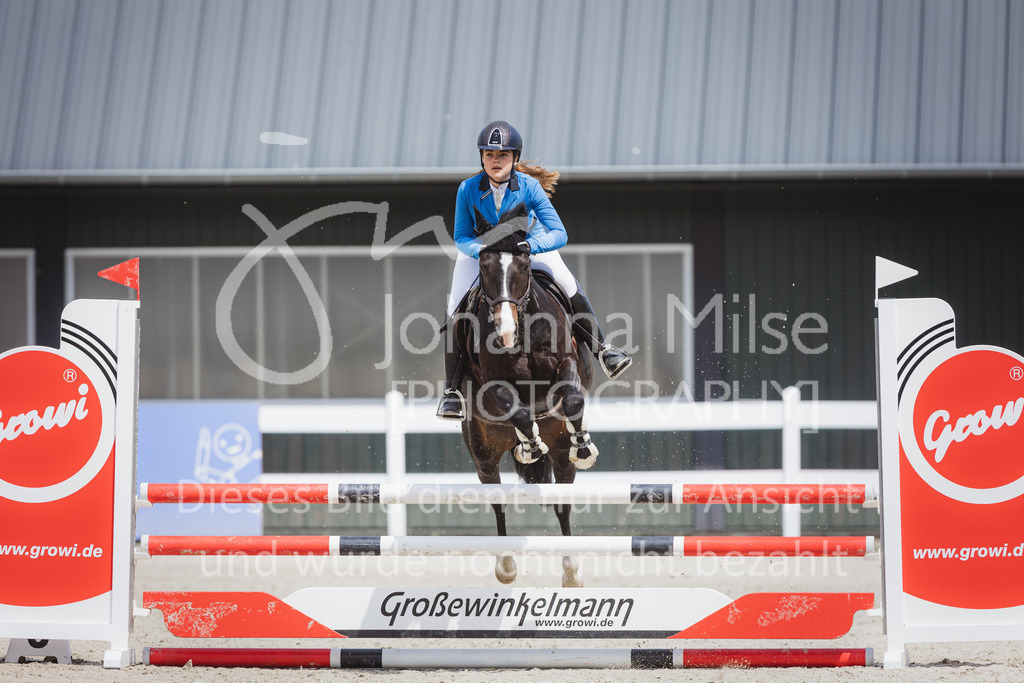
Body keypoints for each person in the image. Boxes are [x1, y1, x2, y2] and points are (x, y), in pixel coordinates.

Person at [437, 120, 632, 420]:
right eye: (489, 155)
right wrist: (481, 252)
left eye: (502, 155)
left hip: (527, 249)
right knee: (454, 307)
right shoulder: (467, 189)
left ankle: (604, 349)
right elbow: (462, 236)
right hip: (484, 253)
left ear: (515, 158)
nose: (495, 160)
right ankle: (452, 390)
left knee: (567, 284)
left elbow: (558, 232)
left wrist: (531, 247)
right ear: (482, 158)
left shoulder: (529, 187)